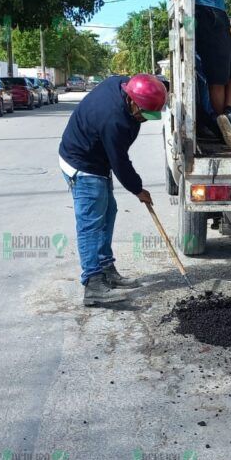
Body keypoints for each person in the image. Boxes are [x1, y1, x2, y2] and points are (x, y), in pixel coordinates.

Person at [58, 74, 166, 306]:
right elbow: (120, 162)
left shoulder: (123, 85)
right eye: (143, 113)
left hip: (98, 158)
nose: (144, 120)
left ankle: (106, 269)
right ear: (132, 101)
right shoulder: (113, 120)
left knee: (109, 212)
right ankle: (93, 284)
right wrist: (138, 189)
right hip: (83, 162)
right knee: (91, 223)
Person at [163, 0, 231, 152]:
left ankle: (228, 115)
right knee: (218, 78)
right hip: (209, 9)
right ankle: (223, 126)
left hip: (196, 11)